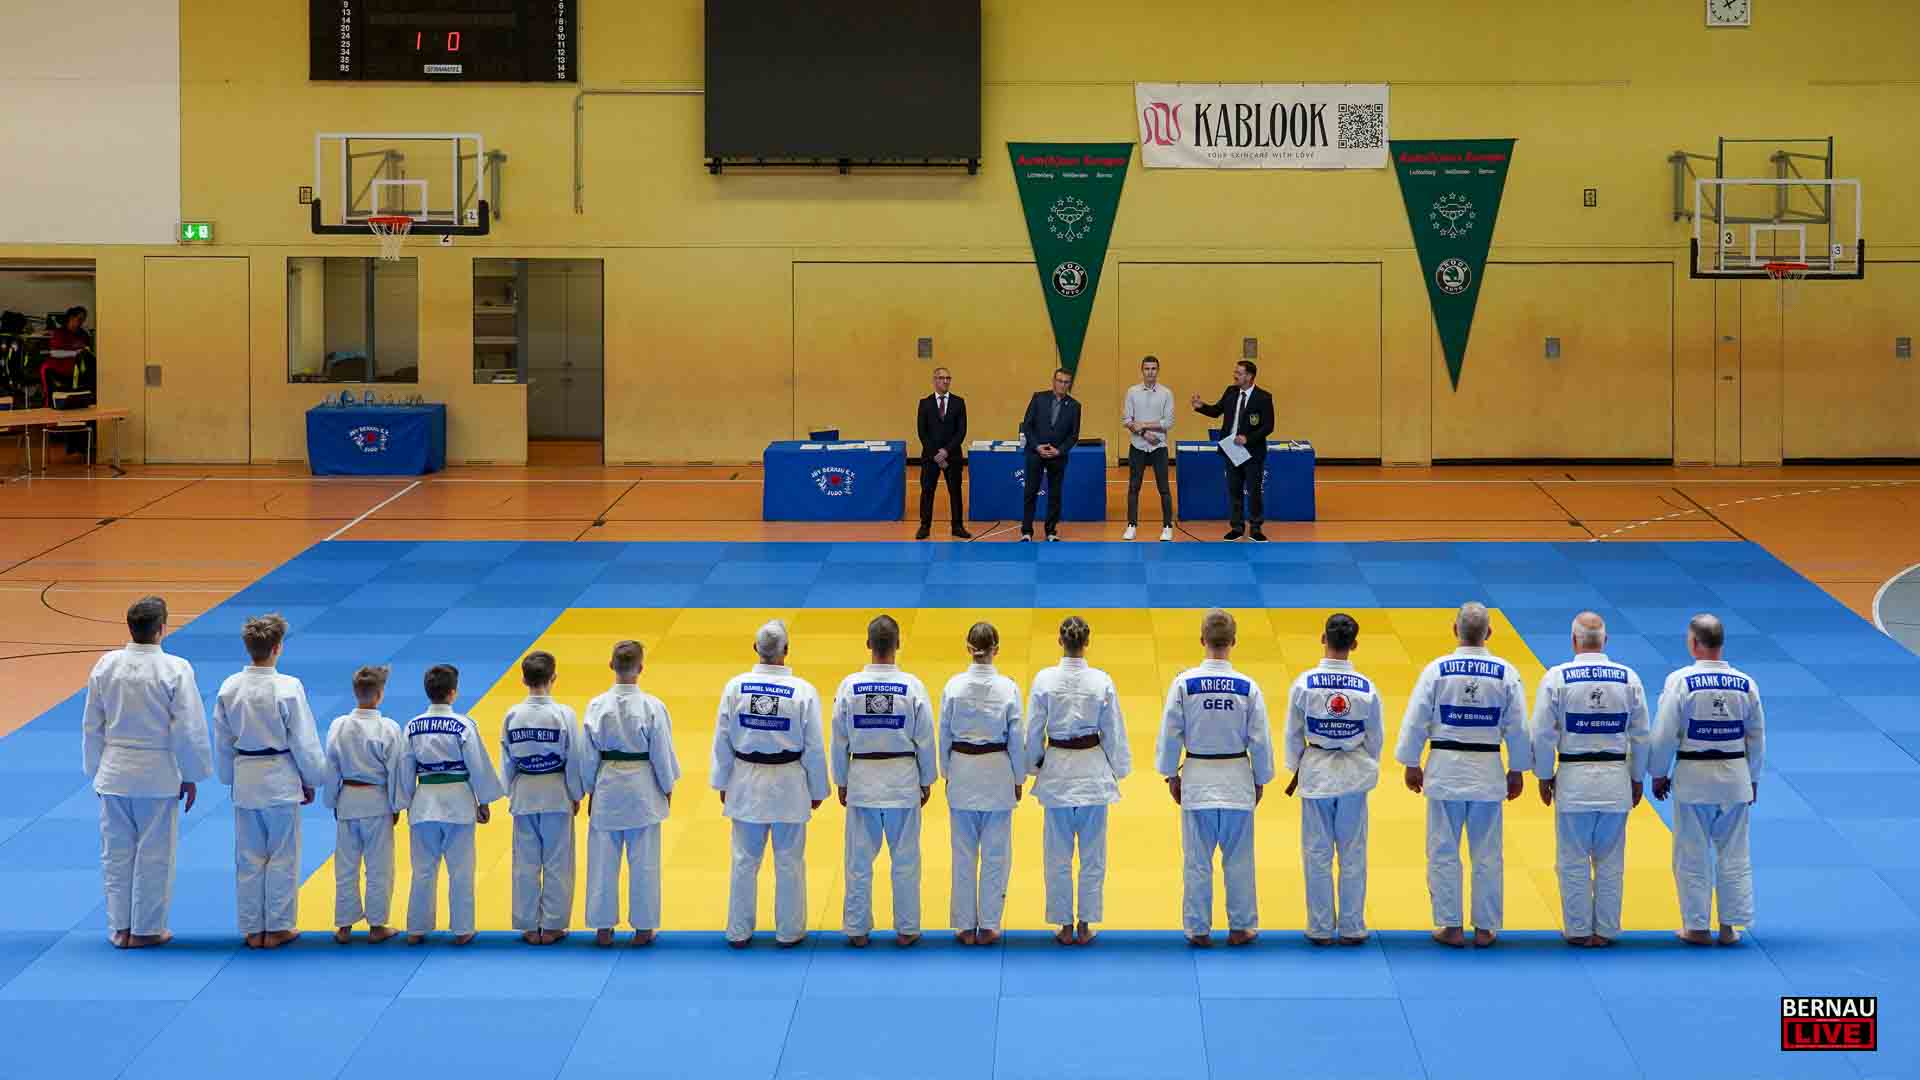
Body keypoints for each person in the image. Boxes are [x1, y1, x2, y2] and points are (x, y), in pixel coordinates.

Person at [1394, 602, 1531, 947]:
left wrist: (1411, 762)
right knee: (1488, 853)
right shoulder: (1505, 672)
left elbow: (1416, 719)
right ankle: (1485, 928)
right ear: (1489, 633)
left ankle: (1451, 926)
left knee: (1442, 849)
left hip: (1444, 768)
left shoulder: (1437, 670)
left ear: (1455, 630)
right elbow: (1518, 727)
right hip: (1488, 770)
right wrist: (1517, 769)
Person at [83, 596, 212, 949]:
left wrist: (96, 770)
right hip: (157, 775)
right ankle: (146, 929)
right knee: (154, 856)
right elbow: (188, 728)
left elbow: (92, 724)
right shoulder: (175, 669)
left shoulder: (106, 665)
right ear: (162, 629)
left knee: (116, 854)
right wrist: (191, 773)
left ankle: (120, 928)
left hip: (114, 771)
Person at [1529, 612, 1650, 947]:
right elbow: (1642, 736)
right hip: (1616, 778)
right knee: (1611, 860)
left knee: (1572, 860)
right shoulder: (1628, 678)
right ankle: (1606, 930)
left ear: (1574, 641)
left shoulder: (1557, 678)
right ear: (1605, 641)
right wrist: (1637, 777)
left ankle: (1579, 929)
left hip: (1573, 779)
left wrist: (1543, 775)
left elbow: (1542, 734)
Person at [1156, 609, 1275, 947]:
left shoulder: (1184, 684)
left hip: (1197, 778)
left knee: (1197, 861)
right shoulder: (1248, 687)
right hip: (1237, 778)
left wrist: (1170, 774)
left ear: (1202, 640)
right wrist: (1260, 778)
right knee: (1239, 860)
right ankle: (1241, 927)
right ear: (1234, 641)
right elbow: (1260, 740)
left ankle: (1197, 928)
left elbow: (1170, 734)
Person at [211, 613, 329, 950]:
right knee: (282, 856)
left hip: (245, 777)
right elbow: (303, 740)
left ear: (249, 648)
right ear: (278, 648)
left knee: (248, 858)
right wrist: (312, 778)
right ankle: (278, 928)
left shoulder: (229, 687)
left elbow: (221, 740)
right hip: (280, 776)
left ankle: (252, 929)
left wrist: (228, 776)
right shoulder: (288, 687)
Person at [1650, 613, 1764, 947]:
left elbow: (1664, 734)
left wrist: (1659, 773)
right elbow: (1756, 736)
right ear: (1721, 643)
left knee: (1692, 854)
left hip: (1694, 778)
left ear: (1693, 643)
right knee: (1734, 853)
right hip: (1735, 775)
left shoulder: (1680, 681)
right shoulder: (1746, 683)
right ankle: (1729, 928)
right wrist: (1753, 778)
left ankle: (1696, 927)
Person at [713, 620, 829, 948]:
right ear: (786, 651)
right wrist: (817, 789)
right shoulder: (803, 691)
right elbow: (814, 746)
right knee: (789, 861)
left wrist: (722, 781)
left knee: (743, 861)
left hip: (745, 779)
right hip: (789, 781)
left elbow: (722, 738)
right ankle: (789, 931)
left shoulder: (735, 687)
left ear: (755, 649)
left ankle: (738, 931)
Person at [831, 615, 937, 947]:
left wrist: (841, 780)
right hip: (902, 780)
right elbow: (925, 739)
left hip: (862, 778)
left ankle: (857, 929)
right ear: (898, 644)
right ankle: (907, 928)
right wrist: (927, 779)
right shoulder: (913, 686)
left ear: (868, 644)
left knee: (858, 862)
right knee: (906, 860)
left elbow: (839, 739)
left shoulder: (849, 686)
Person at [1024, 615, 1130, 945]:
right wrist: (1118, 769)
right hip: (1093, 774)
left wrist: (1033, 764)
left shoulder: (1044, 679)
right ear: (1087, 643)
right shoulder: (1101, 681)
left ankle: (1064, 926)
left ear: (1060, 641)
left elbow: (1033, 730)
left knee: (1057, 855)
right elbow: (1113, 730)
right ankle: (1085, 924)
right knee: (1093, 856)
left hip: (1057, 773)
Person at [1284, 612, 1385, 946]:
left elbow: (1293, 734)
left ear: (1322, 639)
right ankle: (1352, 926)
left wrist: (1298, 766)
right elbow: (1375, 737)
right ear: (1354, 645)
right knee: (1353, 852)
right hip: (1354, 772)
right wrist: (1365, 762)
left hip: (1316, 771)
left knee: (1317, 852)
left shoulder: (1304, 684)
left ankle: (1320, 927)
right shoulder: (1367, 687)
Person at [398, 664, 506, 946]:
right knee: (461, 870)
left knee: (423, 869)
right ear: (453, 693)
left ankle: (416, 929)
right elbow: (477, 765)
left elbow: (405, 768)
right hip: (458, 802)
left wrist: (404, 802)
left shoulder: (412, 726)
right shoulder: (463, 725)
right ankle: (462, 929)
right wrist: (483, 800)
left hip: (424, 801)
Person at [582, 640, 681, 947]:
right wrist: (667, 786)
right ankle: (644, 928)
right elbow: (662, 753)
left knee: (602, 862)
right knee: (645, 862)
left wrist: (588, 789)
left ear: (611, 665)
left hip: (608, 786)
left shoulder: (597, 706)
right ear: (641, 668)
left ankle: (603, 928)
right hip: (642, 787)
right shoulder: (652, 707)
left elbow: (587, 757)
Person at [939, 621, 1023, 946]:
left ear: (968, 647)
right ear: (996, 650)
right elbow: (1016, 739)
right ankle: (988, 924)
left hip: (962, 770)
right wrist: (1018, 777)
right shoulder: (1008, 688)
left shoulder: (953, 686)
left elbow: (944, 734)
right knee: (995, 855)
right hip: (997, 772)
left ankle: (964, 926)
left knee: (963, 854)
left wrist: (947, 773)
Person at [500, 650, 589, 946]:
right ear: (554, 678)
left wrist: (510, 790)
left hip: (525, 791)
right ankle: (552, 926)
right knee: (557, 861)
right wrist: (575, 793)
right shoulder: (564, 714)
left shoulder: (512, 715)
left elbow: (507, 759)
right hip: (555, 791)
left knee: (525, 862)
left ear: (523, 680)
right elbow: (573, 757)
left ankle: (528, 925)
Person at [323, 664, 405, 944]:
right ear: (380, 694)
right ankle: (377, 926)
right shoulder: (388, 728)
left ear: (355, 692)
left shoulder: (339, 726)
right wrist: (397, 804)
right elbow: (396, 770)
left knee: (345, 866)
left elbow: (331, 767)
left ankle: (344, 927)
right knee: (379, 867)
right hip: (378, 802)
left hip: (347, 800)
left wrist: (332, 800)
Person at [1190, 360, 1276, 542]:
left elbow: (1268, 426)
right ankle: (1237, 527)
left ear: (1249, 376)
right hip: (1231, 450)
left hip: (1252, 452)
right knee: (1234, 491)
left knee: (1254, 491)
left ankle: (1256, 528)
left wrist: (1248, 439)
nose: (1235, 376)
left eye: (1239, 373)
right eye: (1235, 372)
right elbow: (1216, 411)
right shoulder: (1230, 391)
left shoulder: (1263, 397)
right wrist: (1201, 406)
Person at [1018, 367, 1083, 542]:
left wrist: (1059, 450)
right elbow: (1027, 425)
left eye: (1066, 382)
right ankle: (1026, 531)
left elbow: (1073, 436)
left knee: (1055, 495)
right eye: (1059, 381)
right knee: (1030, 492)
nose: (1062, 385)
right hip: (1035, 453)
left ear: (1070, 384)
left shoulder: (1075, 406)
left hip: (1057, 456)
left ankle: (1051, 531)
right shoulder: (1038, 398)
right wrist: (1037, 446)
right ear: (1053, 381)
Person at [1122, 355, 1176, 541]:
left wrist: (1143, 424)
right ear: (1142, 370)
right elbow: (1127, 420)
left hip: (1159, 447)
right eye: (1147, 368)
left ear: (1158, 371)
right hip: (1137, 446)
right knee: (1133, 487)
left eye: (1153, 369)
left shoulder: (1166, 393)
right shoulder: (1132, 392)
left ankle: (1167, 527)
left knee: (1164, 488)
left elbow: (1168, 422)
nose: (1150, 372)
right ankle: (1131, 525)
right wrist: (1145, 433)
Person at [916, 367, 971, 540]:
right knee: (927, 491)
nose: (945, 381)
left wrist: (946, 451)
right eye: (941, 378)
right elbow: (922, 432)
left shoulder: (959, 402)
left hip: (952, 456)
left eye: (948, 378)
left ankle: (957, 526)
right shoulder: (924, 403)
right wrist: (936, 454)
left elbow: (961, 431)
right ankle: (924, 526)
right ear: (934, 380)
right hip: (930, 457)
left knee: (955, 492)